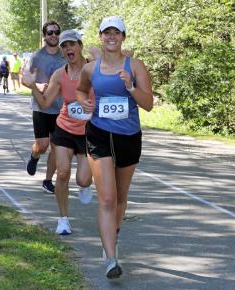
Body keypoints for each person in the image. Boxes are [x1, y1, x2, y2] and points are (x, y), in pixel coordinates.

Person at [76, 16, 153, 279]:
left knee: (120, 197)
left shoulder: (136, 66)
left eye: (116, 33)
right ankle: (111, 259)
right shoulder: (91, 69)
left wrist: (130, 86)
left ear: (123, 37)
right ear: (100, 36)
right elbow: (81, 91)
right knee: (107, 198)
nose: (111, 37)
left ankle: (113, 235)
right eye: (106, 33)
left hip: (129, 136)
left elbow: (149, 104)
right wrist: (85, 102)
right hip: (99, 134)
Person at [22, 29, 94, 235]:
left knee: (83, 179)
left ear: (80, 46)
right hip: (64, 128)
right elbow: (44, 103)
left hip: (89, 131)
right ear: (62, 52)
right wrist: (32, 87)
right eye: (64, 46)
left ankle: (85, 185)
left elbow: (125, 60)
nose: (68, 48)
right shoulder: (59, 74)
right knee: (62, 173)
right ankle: (63, 220)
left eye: (72, 44)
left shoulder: (94, 68)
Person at [22, 21, 66, 194]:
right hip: (41, 107)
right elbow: (24, 78)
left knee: (56, 146)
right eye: (50, 32)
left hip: (60, 108)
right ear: (44, 36)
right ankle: (35, 155)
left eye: (56, 32)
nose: (53, 35)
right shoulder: (37, 57)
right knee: (43, 145)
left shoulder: (65, 55)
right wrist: (37, 86)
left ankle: (48, 181)